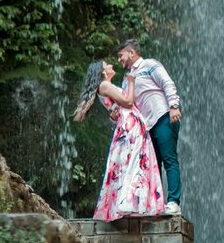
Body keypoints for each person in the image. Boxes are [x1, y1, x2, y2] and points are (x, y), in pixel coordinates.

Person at [99, 38, 183, 216]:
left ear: (131, 52)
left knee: (169, 159)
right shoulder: (125, 80)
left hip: (162, 117)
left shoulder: (150, 65)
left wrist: (174, 106)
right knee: (152, 165)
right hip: (145, 127)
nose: (119, 60)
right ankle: (155, 204)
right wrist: (114, 114)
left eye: (121, 55)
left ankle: (174, 202)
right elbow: (128, 106)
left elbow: (167, 83)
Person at [73, 59, 165, 220]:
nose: (110, 65)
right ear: (102, 72)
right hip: (130, 126)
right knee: (135, 163)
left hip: (129, 124)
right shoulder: (105, 85)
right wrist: (131, 82)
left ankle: (130, 204)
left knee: (129, 163)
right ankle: (129, 204)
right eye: (107, 65)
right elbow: (128, 102)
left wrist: (114, 114)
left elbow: (119, 108)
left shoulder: (106, 86)